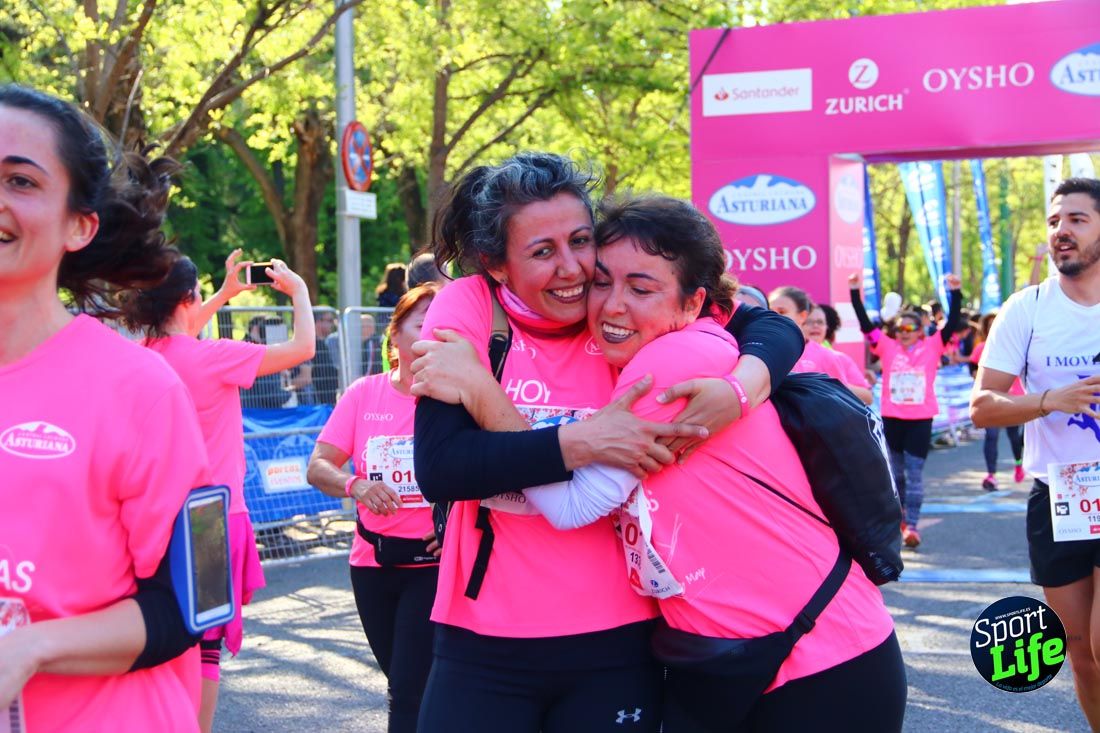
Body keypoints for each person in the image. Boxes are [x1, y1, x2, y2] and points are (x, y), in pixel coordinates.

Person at [417, 195, 905, 731]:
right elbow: (443, 465)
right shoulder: (642, 343)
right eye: (602, 281)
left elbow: (573, 504)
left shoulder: (673, 361)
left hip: (816, 652)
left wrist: (483, 390)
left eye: (640, 288)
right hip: (728, 656)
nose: (610, 303)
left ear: (695, 303)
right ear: (497, 263)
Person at [0, 84, 211, 731]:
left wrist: (32, 647)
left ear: (79, 224)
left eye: (20, 181)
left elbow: (198, 598)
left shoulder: (140, 388)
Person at [123, 252, 315, 732]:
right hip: (210, 517)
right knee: (206, 641)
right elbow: (303, 348)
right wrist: (300, 294)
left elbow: (180, 333)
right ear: (188, 298)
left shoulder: (142, 356)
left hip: (153, 514)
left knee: (165, 628)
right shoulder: (215, 356)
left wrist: (225, 295)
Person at [971, 177, 1100, 730]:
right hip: (1060, 494)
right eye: (1054, 222)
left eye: (1076, 219)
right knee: (1081, 655)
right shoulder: (1027, 309)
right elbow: (982, 405)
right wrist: (1050, 400)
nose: (1061, 232)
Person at [307, 284, 441, 733]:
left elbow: (490, 476)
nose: (434, 335)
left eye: (444, 326)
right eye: (424, 324)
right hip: (372, 564)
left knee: (408, 690)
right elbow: (318, 465)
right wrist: (355, 484)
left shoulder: (456, 399)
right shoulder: (365, 394)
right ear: (396, 336)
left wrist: (457, 523)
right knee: (403, 682)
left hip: (433, 567)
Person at [850, 270, 963, 549]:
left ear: (920, 331)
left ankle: (912, 525)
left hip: (920, 419)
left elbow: (951, 325)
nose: (904, 333)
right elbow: (866, 325)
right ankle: (899, 519)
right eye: (900, 328)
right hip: (892, 417)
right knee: (896, 474)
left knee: (914, 474)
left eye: (910, 329)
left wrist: (955, 294)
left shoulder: (932, 346)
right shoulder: (887, 347)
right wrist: (854, 292)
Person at [769, 286, 872, 404]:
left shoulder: (829, 357)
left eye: (782, 312)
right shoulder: (762, 351)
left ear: (802, 316)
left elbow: (843, 402)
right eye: (770, 311)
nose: (774, 316)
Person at [970, 311, 1024, 491]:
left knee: (1014, 438)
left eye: (997, 323)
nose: (994, 327)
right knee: (991, 437)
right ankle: (991, 475)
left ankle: (1018, 463)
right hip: (990, 400)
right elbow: (972, 369)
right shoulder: (981, 348)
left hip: (1012, 399)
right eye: (990, 324)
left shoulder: (1015, 346)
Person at [801, 302, 874, 404]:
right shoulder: (791, 357)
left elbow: (868, 397)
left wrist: (837, 384)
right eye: (809, 322)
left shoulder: (840, 358)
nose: (815, 326)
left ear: (827, 327)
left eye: (820, 322)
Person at [308, 309, 339, 404]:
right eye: (329, 320)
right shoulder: (311, 344)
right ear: (318, 322)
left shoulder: (323, 343)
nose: (332, 324)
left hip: (328, 400)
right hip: (317, 403)